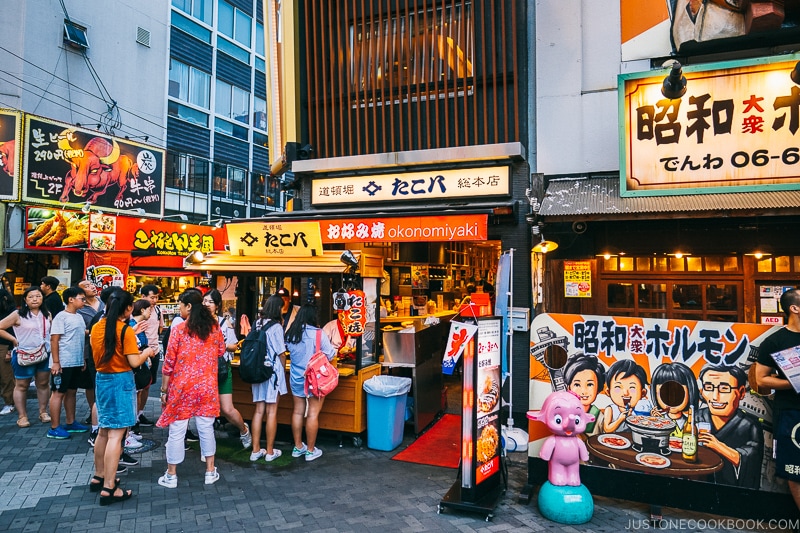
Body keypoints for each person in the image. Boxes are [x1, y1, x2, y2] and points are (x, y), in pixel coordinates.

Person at [89, 290, 153, 505]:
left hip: (102, 379)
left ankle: (99, 476)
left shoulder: (97, 327)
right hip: (121, 381)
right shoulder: (124, 330)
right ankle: (109, 487)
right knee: (117, 435)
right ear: (127, 309)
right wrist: (148, 352)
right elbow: (134, 362)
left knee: (104, 431)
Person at [157, 289, 225, 488]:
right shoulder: (214, 327)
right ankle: (210, 471)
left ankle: (171, 475)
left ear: (188, 307)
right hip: (207, 386)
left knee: (177, 431)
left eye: (180, 304)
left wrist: (163, 390)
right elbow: (221, 350)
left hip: (182, 387)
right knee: (206, 428)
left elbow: (168, 363)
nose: (179, 308)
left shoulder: (178, 330)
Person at [755, 287, 800, 508]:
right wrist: (793, 383)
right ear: (794, 308)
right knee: (795, 469)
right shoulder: (775, 341)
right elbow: (762, 379)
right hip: (792, 412)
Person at [696, 364, 763, 489]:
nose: (715, 397)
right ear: (702, 392)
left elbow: (751, 462)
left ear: (741, 392)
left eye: (724, 389)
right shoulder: (695, 418)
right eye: (709, 387)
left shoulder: (750, 426)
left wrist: (718, 446)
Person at [203, 289, 252, 449]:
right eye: (204, 301)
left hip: (222, 369)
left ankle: (244, 430)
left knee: (227, 409)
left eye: (210, 302)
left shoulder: (224, 323)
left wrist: (219, 345)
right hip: (203, 372)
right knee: (205, 409)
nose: (206, 304)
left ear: (217, 306)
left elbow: (234, 346)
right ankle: (207, 445)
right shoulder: (197, 323)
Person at [287, 303, 335, 462]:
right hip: (315, 379)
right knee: (313, 413)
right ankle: (310, 450)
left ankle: (297, 446)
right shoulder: (318, 333)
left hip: (296, 377)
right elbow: (330, 354)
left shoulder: (291, 333)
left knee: (297, 411)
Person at [0, 286, 52, 428]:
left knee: (43, 383)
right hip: (24, 354)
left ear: (43, 298)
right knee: (21, 385)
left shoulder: (47, 314)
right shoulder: (18, 314)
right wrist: (13, 339)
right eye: (31, 297)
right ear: (25, 300)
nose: (35, 299)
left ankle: (43, 412)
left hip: (44, 353)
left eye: (38, 296)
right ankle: (22, 416)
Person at [47, 286, 90, 439]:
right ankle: (54, 427)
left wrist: (82, 359)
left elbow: (80, 337)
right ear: (71, 299)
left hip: (76, 361)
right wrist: (56, 362)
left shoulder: (78, 316)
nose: (84, 302)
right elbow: (54, 340)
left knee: (71, 392)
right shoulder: (61, 316)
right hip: (63, 362)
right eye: (81, 298)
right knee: (58, 393)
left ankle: (71, 422)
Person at [249, 295, 288, 462]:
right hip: (272, 372)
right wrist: (284, 368)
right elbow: (281, 353)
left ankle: (256, 450)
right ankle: (270, 452)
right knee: (271, 411)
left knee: (258, 411)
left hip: (257, 371)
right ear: (277, 308)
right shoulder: (276, 327)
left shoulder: (256, 323)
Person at [76, 279, 105, 427]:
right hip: (88, 349)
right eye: (87, 286)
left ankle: (100, 412)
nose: (92, 287)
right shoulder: (79, 308)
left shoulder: (103, 302)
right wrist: (95, 331)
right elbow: (78, 329)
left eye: (92, 284)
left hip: (105, 348)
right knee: (90, 384)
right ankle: (92, 411)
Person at [136, 284, 163, 427]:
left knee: (147, 385)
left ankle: (140, 413)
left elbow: (160, 327)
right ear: (143, 297)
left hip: (155, 351)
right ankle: (134, 416)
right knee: (138, 387)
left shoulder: (158, 310)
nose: (155, 300)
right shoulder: (137, 311)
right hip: (141, 352)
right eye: (152, 297)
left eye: (156, 297)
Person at [649, 361, 700, 437]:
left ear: (690, 392)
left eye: (679, 393)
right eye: (664, 393)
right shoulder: (657, 420)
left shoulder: (693, 425)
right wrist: (655, 422)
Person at [602, 359, 652, 433]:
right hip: (613, 441)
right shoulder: (611, 409)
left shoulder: (639, 411)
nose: (625, 393)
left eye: (632, 388)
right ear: (608, 392)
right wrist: (620, 419)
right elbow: (607, 429)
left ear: (643, 393)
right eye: (618, 388)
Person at [563, 353, 606, 436]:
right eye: (577, 385)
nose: (583, 391)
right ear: (569, 387)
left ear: (598, 388)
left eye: (590, 384)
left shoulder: (600, 418)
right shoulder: (563, 413)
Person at [0, 288, 17, 415]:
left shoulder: (11, 312)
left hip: (5, 346)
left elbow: (13, 332)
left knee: (6, 376)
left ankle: (10, 402)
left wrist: (10, 350)